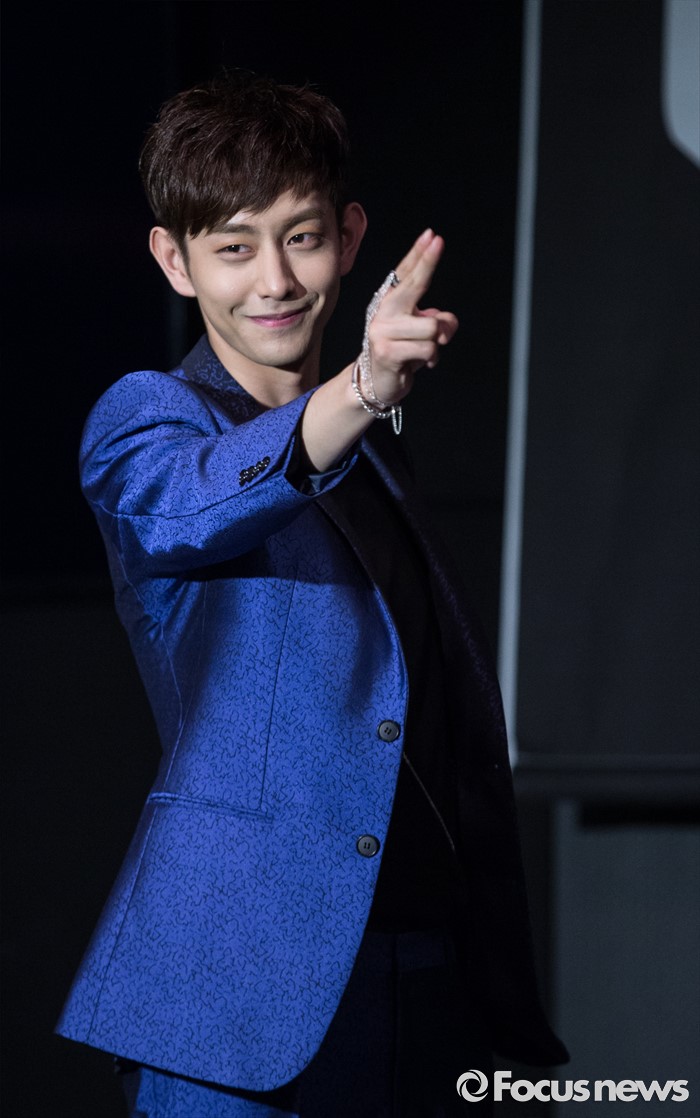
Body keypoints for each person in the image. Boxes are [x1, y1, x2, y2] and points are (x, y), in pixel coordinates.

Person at [56, 70, 567, 1117]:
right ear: (174, 260)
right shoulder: (151, 417)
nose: (276, 280)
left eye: (302, 237)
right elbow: (185, 507)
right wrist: (361, 389)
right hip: (237, 996)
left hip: (427, 978)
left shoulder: (377, 454)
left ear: (350, 235)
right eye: (234, 248)